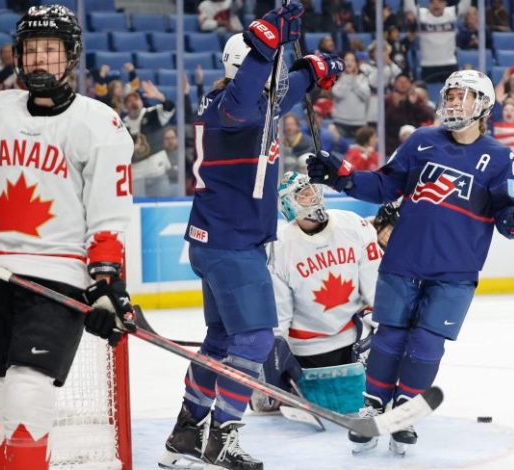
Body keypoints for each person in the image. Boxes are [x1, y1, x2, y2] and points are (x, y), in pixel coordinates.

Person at [306, 69, 514, 455]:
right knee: (389, 337)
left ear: (483, 105)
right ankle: (374, 405)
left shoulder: (500, 158)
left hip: (455, 272)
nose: (451, 102)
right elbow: (384, 185)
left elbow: (508, 217)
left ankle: (405, 410)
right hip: (404, 260)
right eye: (449, 95)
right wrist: (342, 177)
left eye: (462, 95)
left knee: (427, 344)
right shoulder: (421, 140)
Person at [158, 6, 344, 469]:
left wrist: (312, 68)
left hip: (217, 241)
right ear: (248, 67)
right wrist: (268, 41)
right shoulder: (234, 107)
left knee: (221, 340)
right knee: (256, 339)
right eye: (266, 71)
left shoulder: (244, 101)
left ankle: (187, 430)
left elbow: (281, 90)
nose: (274, 84)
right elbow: (249, 97)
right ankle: (222, 435)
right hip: (230, 245)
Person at [0, 5, 134, 469]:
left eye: (51, 50)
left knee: (27, 390)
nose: (40, 59)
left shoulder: (98, 123)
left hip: (56, 278)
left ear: (70, 57)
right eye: (31, 50)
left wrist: (106, 285)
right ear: (19, 57)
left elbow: (108, 216)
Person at [250, 172, 381, 412]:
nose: (313, 197)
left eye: (312, 191)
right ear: (288, 204)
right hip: (306, 346)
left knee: (393, 341)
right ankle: (275, 386)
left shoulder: (353, 224)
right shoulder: (279, 245)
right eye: (303, 194)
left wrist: (380, 326)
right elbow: (278, 308)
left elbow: (375, 283)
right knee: (270, 394)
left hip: (351, 338)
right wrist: (276, 347)